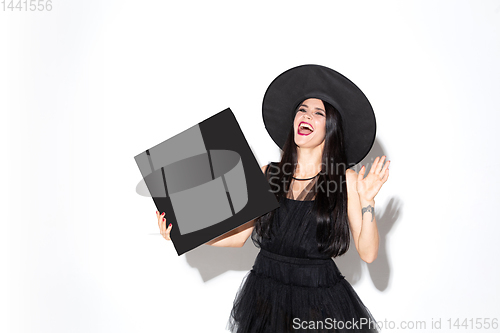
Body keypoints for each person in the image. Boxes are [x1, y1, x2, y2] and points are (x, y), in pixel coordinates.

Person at [156, 65, 389, 332]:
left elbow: (368, 254)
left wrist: (368, 201)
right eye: (302, 109)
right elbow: (237, 237)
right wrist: (183, 232)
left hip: (317, 300)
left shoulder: (345, 179)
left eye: (318, 113)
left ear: (331, 126)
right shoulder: (270, 174)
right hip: (266, 296)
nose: (307, 116)